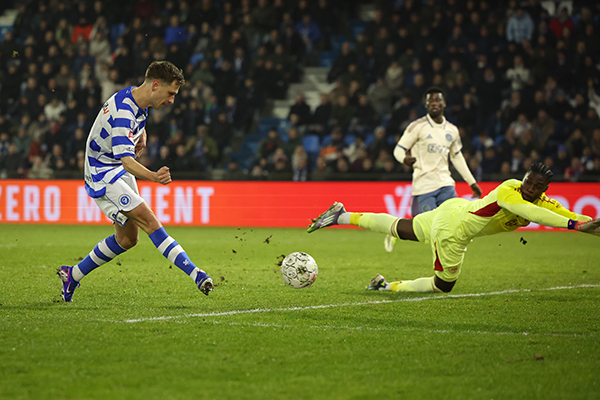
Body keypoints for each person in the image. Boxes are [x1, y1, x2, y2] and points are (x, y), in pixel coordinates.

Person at [307, 163, 600, 294]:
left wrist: (584, 224)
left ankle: (341, 216)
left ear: (544, 189)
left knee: (400, 228)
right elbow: (531, 212)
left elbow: (564, 213)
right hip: (454, 231)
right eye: (529, 181)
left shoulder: (540, 199)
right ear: (522, 178)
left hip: (454, 209)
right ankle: (384, 286)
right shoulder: (509, 191)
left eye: (537, 186)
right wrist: (575, 225)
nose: (531, 188)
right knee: (443, 285)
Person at [57, 61, 214, 302]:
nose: (172, 100)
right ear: (155, 85)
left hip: (115, 166)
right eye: (170, 93)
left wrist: (142, 134)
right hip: (103, 172)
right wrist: (154, 176)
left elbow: (134, 121)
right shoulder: (124, 112)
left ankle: (72, 275)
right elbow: (129, 162)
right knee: (150, 221)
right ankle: (196, 274)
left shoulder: (138, 98)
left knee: (127, 239)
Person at [384, 87, 482, 253]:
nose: (434, 103)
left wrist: (472, 182)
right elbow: (398, 149)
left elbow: (457, 157)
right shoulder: (417, 127)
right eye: (431, 101)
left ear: (444, 103)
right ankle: (396, 231)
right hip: (424, 185)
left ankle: (447, 262)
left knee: (454, 223)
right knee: (426, 230)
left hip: (445, 183)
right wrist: (404, 159)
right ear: (426, 105)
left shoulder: (452, 130)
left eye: (437, 100)